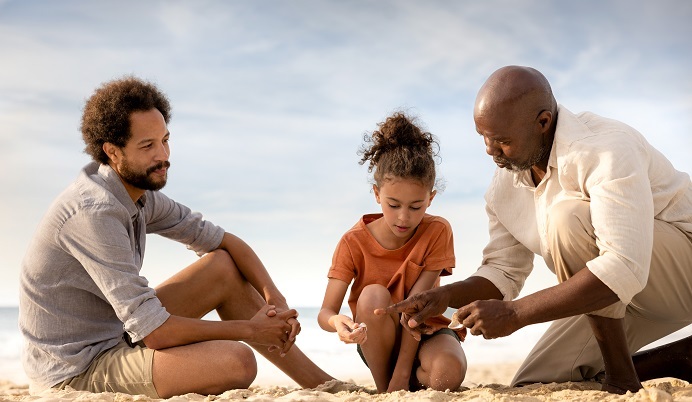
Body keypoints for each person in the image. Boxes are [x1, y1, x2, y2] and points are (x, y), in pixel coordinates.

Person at [378, 66, 692, 394]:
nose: (489, 149)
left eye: (502, 140)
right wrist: (445, 297)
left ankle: (620, 376)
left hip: (680, 274)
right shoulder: (504, 186)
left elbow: (623, 267)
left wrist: (515, 314)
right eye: (483, 137)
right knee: (539, 380)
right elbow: (502, 273)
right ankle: (681, 357)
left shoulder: (605, 150)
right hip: (622, 294)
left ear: (542, 123)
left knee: (565, 218)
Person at [18, 76, 334, 398]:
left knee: (222, 265)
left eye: (165, 140)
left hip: (117, 331)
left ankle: (322, 384)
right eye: (147, 146)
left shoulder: (139, 192)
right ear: (112, 152)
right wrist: (251, 330)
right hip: (77, 367)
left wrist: (275, 300)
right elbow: (154, 332)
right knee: (237, 361)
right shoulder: (93, 212)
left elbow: (225, 241)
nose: (163, 155)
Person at [317, 112, 467, 393]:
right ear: (376, 194)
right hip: (379, 341)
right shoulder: (352, 242)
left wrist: (403, 372)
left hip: (426, 330)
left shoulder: (437, 231)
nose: (403, 218)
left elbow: (417, 307)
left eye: (416, 206)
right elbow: (325, 311)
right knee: (373, 295)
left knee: (448, 373)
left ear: (431, 198)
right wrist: (338, 322)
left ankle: (405, 380)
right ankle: (387, 387)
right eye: (393, 204)